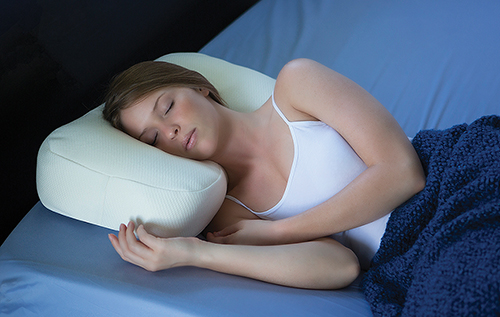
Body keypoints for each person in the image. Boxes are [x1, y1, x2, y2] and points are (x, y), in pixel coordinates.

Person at [103, 58, 426, 290]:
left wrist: (277, 232)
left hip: (449, 185)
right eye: (153, 138)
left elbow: (403, 173)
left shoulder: (297, 85)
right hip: (410, 259)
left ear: (199, 86)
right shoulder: (228, 208)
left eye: (168, 106)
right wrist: (196, 252)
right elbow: (339, 266)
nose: (170, 131)